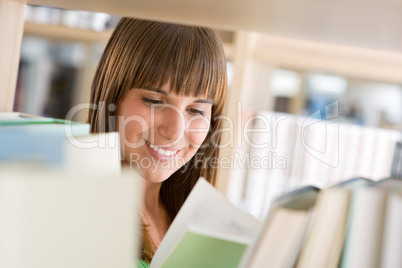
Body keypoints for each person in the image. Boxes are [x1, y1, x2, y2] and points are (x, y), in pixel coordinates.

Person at [88, 17, 228, 266]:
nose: (174, 131)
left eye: (196, 111)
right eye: (154, 101)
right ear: (112, 98)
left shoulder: (203, 226)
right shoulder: (79, 212)